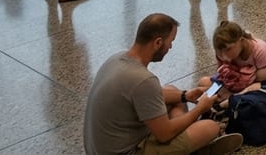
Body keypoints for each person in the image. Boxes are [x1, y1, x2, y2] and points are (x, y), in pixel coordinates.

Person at [83, 13, 242, 155]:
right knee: (210, 128)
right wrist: (200, 108)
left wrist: (185, 95)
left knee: (174, 93)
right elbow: (164, 134)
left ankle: (189, 143)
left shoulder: (117, 59)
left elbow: (145, 95)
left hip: (104, 147)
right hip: (128, 150)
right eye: (170, 42)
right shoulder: (143, 80)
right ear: (158, 43)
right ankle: (197, 148)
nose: (170, 47)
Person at [195, 20, 266, 99]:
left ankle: (231, 100)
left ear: (241, 40)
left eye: (228, 49)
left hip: (253, 84)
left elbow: (264, 79)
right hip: (232, 84)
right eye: (220, 51)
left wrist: (237, 93)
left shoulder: (260, 50)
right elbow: (221, 74)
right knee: (203, 82)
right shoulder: (222, 54)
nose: (224, 55)